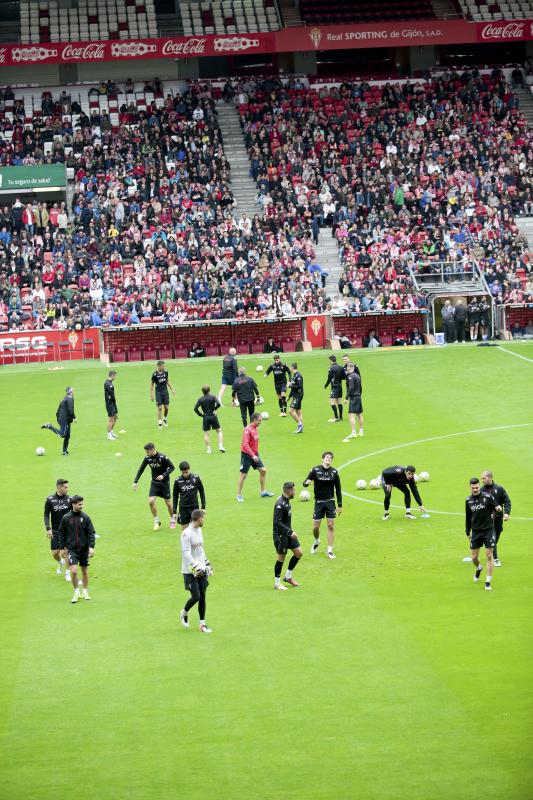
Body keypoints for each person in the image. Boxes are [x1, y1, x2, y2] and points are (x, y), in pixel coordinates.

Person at [303, 451, 342, 560]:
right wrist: (307, 483)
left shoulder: (334, 472)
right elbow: (305, 483)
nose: (329, 459)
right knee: (315, 527)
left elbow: (338, 489)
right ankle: (317, 541)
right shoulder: (315, 470)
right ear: (322, 459)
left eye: (330, 458)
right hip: (319, 502)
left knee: (331, 525)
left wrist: (340, 505)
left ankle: (330, 550)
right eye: (327, 457)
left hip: (330, 502)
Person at [465, 477, 502, 591]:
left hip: (488, 530)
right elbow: (468, 517)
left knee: (489, 555)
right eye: (473, 488)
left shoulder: (487, 497)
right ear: (470, 487)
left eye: (477, 487)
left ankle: (488, 581)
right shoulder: (468, 500)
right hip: (476, 531)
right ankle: (479, 568)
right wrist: (467, 531)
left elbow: (496, 506)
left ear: (479, 486)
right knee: (474, 557)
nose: (475, 489)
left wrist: (499, 508)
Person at [180, 509, 213, 634]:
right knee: (196, 596)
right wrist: (195, 566)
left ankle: (202, 625)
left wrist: (207, 564)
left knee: (203, 595)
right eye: (203, 518)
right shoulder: (186, 534)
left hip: (201, 567)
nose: (203, 520)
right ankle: (184, 613)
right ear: (199, 519)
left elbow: (200, 550)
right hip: (189, 570)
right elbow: (186, 553)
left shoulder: (199, 530)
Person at [58, 495, 96, 603]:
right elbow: (61, 533)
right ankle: (76, 592)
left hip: (84, 549)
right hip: (72, 550)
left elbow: (91, 533)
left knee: (84, 570)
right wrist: (61, 548)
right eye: (79, 504)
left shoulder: (86, 518)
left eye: (82, 504)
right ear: (73, 505)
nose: (81, 506)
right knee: (74, 571)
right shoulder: (66, 518)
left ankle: (85, 591)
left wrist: (91, 547)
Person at [133, 443, 175, 530]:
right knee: (151, 501)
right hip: (155, 483)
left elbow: (172, 467)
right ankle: (156, 521)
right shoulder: (147, 458)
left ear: (153, 450)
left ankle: (172, 519)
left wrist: (163, 475)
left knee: (168, 504)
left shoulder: (162, 457)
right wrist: (135, 481)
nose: (146, 454)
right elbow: (141, 468)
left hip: (164, 483)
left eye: (148, 452)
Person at [236, 412, 273, 502]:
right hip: (247, 455)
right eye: (259, 420)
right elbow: (245, 444)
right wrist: (252, 455)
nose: (261, 422)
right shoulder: (247, 430)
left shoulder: (255, 428)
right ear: (254, 420)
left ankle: (263, 491)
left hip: (255, 455)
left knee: (263, 471)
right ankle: (238, 495)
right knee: (243, 475)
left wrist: (255, 454)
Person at [273, 481, 302, 590]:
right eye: (294, 490)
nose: (295, 492)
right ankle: (277, 583)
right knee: (281, 557)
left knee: (299, 553)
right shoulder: (280, 504)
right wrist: (290, 532)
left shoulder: (286, 501)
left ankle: (288, 576)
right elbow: (277, 522)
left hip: (288, 533)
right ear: (289, 491)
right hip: (281, 535)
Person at [43, 478, 72, 581]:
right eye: (65, 487)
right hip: (55, 531)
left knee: (66, 552)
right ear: (59, 487)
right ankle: (61, 562)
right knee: (55, 553)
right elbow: (46, 514)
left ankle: (67, 573)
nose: (67, 489)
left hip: (67, 531)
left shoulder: (70, 499)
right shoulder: (50, 499)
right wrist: (48, 529)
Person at [481, 470, 511, 567]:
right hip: (487, 520)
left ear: (490, 478)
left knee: (496, 536)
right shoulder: (481, 491)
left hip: (498, 519)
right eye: (481, 478)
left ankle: (491, 550)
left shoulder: (499, 489)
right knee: (492, 538)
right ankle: (496, 558)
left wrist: (506, 513)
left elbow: (507, 501)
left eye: (484, 478)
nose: (482, 480)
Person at [41, 386, 76, 456]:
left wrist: (58, 417)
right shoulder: (70, 398)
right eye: (73, 390)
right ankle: (49, 426)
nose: (74, 392)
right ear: (71, 392)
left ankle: (64, 451)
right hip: (64, 419)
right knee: (63, 434)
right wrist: (74, 417)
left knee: (67, 435)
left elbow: (58, 409)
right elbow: (70, 410)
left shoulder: (64, 398)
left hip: (63, 418)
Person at [172, 461, 206, 530]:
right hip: (183, 508)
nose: (185, 474)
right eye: (183, 473)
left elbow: (202, 491)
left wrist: (203, 507)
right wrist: (174, 511)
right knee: (185, 531)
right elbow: (175, 496)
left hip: (194, 507)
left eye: (186, 472)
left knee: (198, 527)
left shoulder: (196, 478)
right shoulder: (177, 481)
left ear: (189, 469)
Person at [194, 385, 225, 454]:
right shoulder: (213, 397)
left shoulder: (200, 399)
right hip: (213, 416)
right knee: (219, 431)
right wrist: (214, 409)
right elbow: (219, 404)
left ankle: (208, 449)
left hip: (205, 417)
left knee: (206, 434)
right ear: (209, 390)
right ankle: (221, 446)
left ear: (202, 391)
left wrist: (201, 414)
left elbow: (195, 408)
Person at [150, 361, 175, 429]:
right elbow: (152, 385)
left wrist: (172, 389)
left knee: (166, 407)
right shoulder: (154, 374)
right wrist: (151, 394)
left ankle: (165, 419)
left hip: (165, 392)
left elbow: (167, 381)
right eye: (163, 366)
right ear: (158, 366)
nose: (164, 367)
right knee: (160, 408)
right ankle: (160, 422)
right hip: (158, 392)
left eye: (164, 366)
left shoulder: (166, 372)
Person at [343, 362, 363, 441]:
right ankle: (361, 431)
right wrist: (360, 394)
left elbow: (350, 388)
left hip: (353, 398)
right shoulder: (357, 375)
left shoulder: (350, 376)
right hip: (358, 396)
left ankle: (353, 432)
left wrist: (346, 398)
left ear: (349, 368)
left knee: (351, 415)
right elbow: (360, 387)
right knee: (359, 414)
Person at [325, 355, 345, 423]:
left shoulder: (331, 368)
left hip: (334, 387)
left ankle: (336, 418)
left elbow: (329, 378)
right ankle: (341, 417)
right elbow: (344, 377)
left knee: (331, 402)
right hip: (340, 386)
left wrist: (326, 385)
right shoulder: (341, 367)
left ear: (331, 360)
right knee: (339, 402)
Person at [104, 370, 118, 440]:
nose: (115, 377)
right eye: (115, 375)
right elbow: (111, 395)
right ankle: (109, 435)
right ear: (112, 375)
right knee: (111, 419)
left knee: (116, 417)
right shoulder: (108, 384)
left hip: (113, 403)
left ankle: (111, 431)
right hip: (110, 404)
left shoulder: (110, 383)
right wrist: (113, 402)